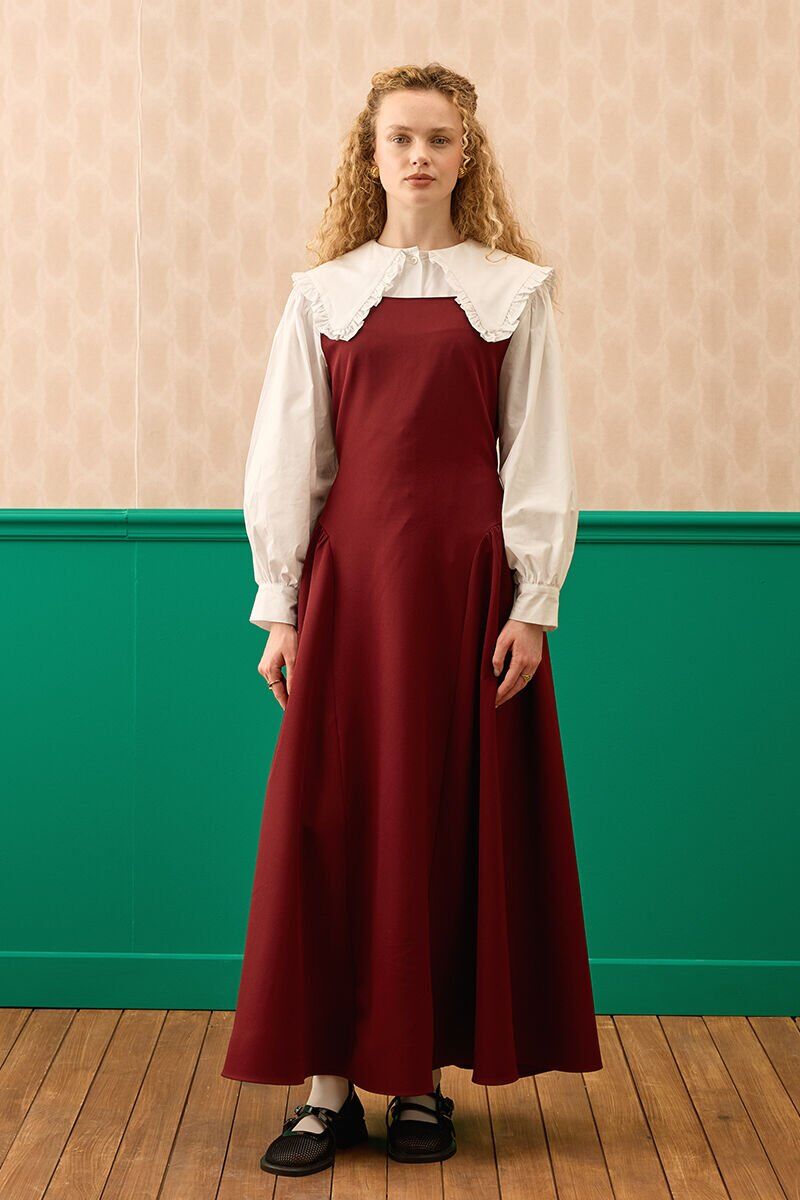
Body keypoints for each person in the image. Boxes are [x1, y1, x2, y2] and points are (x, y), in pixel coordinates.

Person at [220, 61, 603, 1178]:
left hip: (465, 592)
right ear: (372, 154)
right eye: (401, 138)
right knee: (335, 819)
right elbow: (291, 458)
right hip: (352, 592)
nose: (420, 155)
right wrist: (280, 607)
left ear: (465, 154)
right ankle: (325, 1092)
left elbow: (536, 453)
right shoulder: (323, 293)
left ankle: (419, 1083)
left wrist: (533, 603)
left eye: (438, 138)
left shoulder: (512, 292)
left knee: (439, 818)